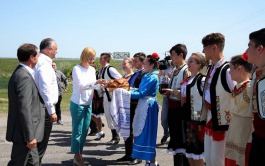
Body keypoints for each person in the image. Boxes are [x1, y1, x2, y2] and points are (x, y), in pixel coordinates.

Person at [200, 33, 236, 166]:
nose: (203, 50)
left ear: (214, 48)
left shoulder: (227, 70)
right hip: (210, 118)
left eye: (205, 47)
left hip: (223, 123)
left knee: (218, 161)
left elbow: (237, 94)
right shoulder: (210, 68)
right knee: (209, 160)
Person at [6, 44, 45, 166]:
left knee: (33, 162)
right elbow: (24, 107)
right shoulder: (24, 76)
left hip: (24, 131)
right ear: (31, 57)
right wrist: (29, 136)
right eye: (37, 55)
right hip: (24, 133)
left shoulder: (22, 73)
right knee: (19, 162)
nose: (38, 58)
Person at [70, 47, 106, 165]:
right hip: (78, 103)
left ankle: (79, 154)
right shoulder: (76, 69)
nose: (92, 60)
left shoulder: (91, 70)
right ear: (84, 57)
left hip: (88, 103)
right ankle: (77, 156)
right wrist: (96, 82)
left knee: (85, 131)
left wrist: (103, 86)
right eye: (90, 58)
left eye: (93, 58)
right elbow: (81, 85)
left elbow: (93, 86)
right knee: (77, 131)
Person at [116, 52, 146, 165]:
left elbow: (140, 89)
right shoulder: (136, 74)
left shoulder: (143, 74)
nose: (134, 63)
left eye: (136, 61)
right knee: (128, 131)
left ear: (142, 62)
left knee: (136, 131)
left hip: (136, 104)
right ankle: (129, 154)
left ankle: (137, 155)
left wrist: (130, 89)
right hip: (129, 104)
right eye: (133, 61)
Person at [163, 44, 190, 166]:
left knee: (182, 143)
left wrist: (172, 92)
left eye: (173, 55)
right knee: (175, 141)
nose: (171, 58)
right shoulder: (175, 70)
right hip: (172, 109)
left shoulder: (186, 70)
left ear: (181, 55)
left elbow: (187, 94)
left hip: (180, 111)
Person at [131, 53, 160, 166]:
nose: (143, 64)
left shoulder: (152, 77)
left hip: (148, 105)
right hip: (144, 104)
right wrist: (131, 89)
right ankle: (150, 160)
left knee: (147, 132)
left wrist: (126, 93)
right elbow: (140, 89)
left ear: (152, 64)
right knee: (142, 130)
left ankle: (152, 162)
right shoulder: (148, 75)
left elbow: (142, 92)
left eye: (145, 63)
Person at [225, 55, 253, 166]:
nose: (229, 72)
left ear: (239, 69)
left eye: (231, 68)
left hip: (245, 134)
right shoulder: (238, 87)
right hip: (235, 131)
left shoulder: (250, 88)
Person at [34, 38, 59, 164]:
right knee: (41, 145)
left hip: (40, 106)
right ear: (49, 49)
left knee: (38, 145)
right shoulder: (44, 64)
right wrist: (52, 110)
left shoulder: (41, 62)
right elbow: (45, 88)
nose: (57, 51)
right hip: (44, 108)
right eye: (55, 49)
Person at [181, 53, 207, 166]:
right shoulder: (187, 80)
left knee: (198, 152)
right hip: (187, 119)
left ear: (199, 65)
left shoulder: (202, 80)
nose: (188, 63)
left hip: (198, 121)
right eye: (189, 60)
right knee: (190, 152)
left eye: (192, 61)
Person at [245, 28, 265, 166]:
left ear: (260, 49)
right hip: (257, 137)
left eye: (249, 46)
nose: (246, 52)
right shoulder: (256, 74)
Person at [98, 52, 122, 145]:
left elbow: (120, 80)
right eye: (100, 58)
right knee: (108, 116)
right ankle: (114, 136)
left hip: (111, 96)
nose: (100, 60)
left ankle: (116, 137)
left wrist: (109, 85)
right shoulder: (102, 70)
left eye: (102, 58)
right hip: (105, 95)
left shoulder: (110, 69)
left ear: (107, 59)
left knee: (111, 115)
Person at [158, 60, 174, 145]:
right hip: (165, 96)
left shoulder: (180, 68)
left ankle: (172, 136)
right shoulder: (165, 66)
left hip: (174, 96)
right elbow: (159, 77)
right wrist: (161, 69)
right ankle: (166, 133)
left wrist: (171, 77)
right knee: (164, 119)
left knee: (172, 119)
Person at [52, 61, 69, 125]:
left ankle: (59, 120)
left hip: (58, 93)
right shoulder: (47, 73)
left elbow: (65, 79)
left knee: (58, 106)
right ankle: (49, 120)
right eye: (52, 65)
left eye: (54, 65)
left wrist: (66, 88)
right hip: (50, 93)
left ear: (56, 66)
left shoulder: (59, 73)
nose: (53, 66)